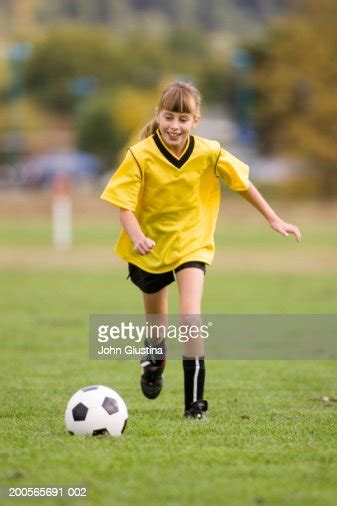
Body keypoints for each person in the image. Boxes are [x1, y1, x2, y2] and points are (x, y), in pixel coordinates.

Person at [100, 81, 301, 419]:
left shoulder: (210, 152)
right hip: (149, 247)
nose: (175, 126)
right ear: (158, 116)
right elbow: (123, 206)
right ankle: (154, 361)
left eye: (183, 119)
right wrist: (136, 237)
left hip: (193, 243)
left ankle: (194, 406)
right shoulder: (140, 155)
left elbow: (244, 183)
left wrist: (273, 218)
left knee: (191, 316)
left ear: (196, 120)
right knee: (156, 324)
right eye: (169, 117)